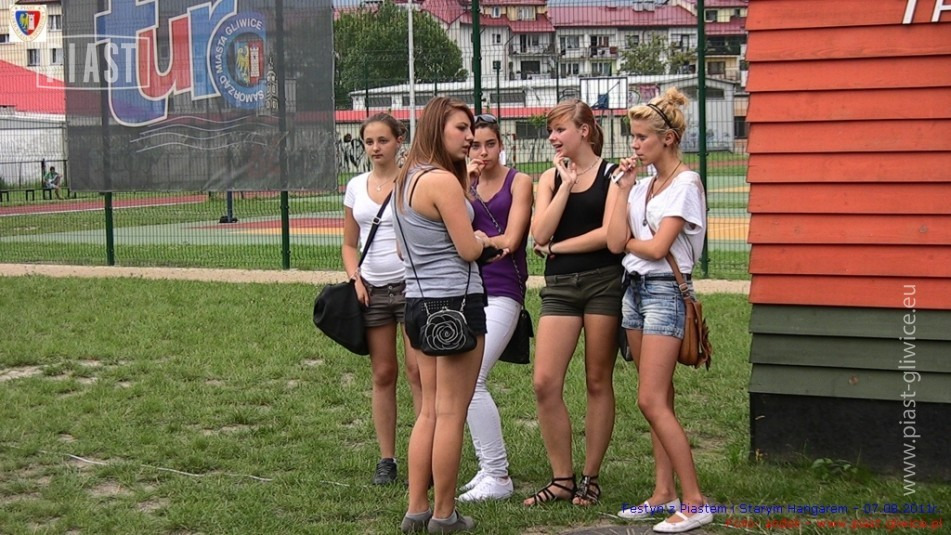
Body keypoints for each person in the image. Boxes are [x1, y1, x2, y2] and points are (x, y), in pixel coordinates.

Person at [606, 88, 711, 533]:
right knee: (658, 398)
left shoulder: (686, 184)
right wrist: (622, 188)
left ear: (668, 139)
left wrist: (632, 244)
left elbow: (656, 247)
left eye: (642, 137)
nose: (634, 145)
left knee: (650, 399)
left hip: (665, 291)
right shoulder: (643, 185)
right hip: (634, 290)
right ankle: (663, 491)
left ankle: (696, 501)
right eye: (632, 137)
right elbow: (615, 241)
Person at [393, 97, 493, 533]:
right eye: (461, 128)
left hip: (417, 303)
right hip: (455, 302)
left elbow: (403, 250)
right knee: (451, 413)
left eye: (471, 129)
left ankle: (417, 509)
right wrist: (483, 240)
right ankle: (444, 514)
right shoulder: (440, 181)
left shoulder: (405, 179)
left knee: (430, 412)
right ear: (437, 129)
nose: (470, 137)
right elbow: (468, 249)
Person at [524, 99, 624, 507]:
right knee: (544, 382)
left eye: (560, 129)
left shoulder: (613, 174)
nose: (553, 137)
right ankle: (561, 479)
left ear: (584, 130)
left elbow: (609, 236)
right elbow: (539, 232)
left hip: (604, 283)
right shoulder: (550, 178)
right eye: (550, 130)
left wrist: (557, 247)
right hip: (561, 288)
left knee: (597, 380)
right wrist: (565, 185)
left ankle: (590, 478)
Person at [342, 113, 422, 486]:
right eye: (369, 142)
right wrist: (355, 278)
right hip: (371, 289)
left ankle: (425, 453)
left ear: (399, 140)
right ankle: (386, 459)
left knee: (417, 372)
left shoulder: (412, 181)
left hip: (410, 286)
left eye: (382, 141)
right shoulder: (356, 186)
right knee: (383, 373)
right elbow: (348, 243)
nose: (375, 148)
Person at [457, 113, 533, 502]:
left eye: (490, 144)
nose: (483, 153)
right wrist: (465, 184)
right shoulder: (460, 183)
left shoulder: (519, 181)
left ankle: (497, 475)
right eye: (475, 145)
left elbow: (513, 239)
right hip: (466, 288)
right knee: (464, 380)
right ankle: (487, 468)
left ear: (501, 145)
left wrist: (481, 241)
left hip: (504, 288)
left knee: (473, 379)